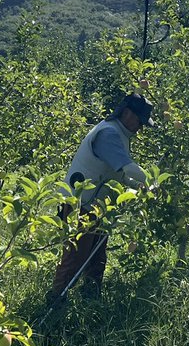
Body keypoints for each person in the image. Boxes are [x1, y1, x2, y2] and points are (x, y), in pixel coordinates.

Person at [48, 93, 155, 304]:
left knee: (96, 256)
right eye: (139, 121)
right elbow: (127, 168)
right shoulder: (109, 134)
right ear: (126, 113)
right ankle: (54, 303)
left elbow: (118, 174)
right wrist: (154, 182)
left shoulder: (118, 133)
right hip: (80, 204)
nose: (140, 127)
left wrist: (138, 187)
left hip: (95, 206)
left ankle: (91, 298)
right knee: (75, 257)